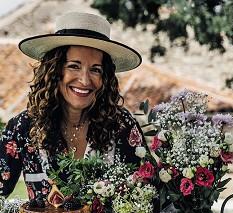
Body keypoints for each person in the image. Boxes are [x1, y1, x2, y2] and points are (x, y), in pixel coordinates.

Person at [0, 11, 143, 200]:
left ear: (105, 78)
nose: (84, 80)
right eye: (74, 66)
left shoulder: (122, 124)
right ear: (55, 70)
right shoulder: (23, 127)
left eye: (95, 70)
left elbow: (151, 194)